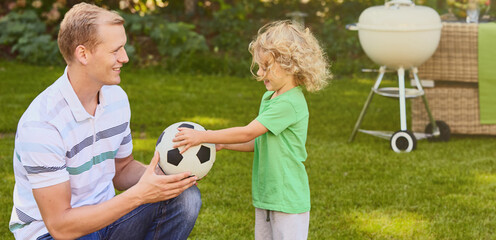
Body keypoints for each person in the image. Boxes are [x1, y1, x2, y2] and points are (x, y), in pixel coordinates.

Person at [9, 3, 201, 239]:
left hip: (108, 218)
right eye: (115, 50)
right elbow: (60, 226)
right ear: (83, 54)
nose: (125, 58)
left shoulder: (116, 98)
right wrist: (140, 194)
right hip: (54, 233)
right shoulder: (42, 124)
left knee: (186, 198)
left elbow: (121, 170)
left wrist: (168, 177)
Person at [171, 20, 331, 240]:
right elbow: (258, 141)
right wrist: (225, 142)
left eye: (266, 66)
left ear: (290, 65)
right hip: (268, 196)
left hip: (287, 198)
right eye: (259, 65)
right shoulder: (271, 98)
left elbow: (248, 132)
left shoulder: (289, 103)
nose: (259, 72)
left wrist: (203, 136)